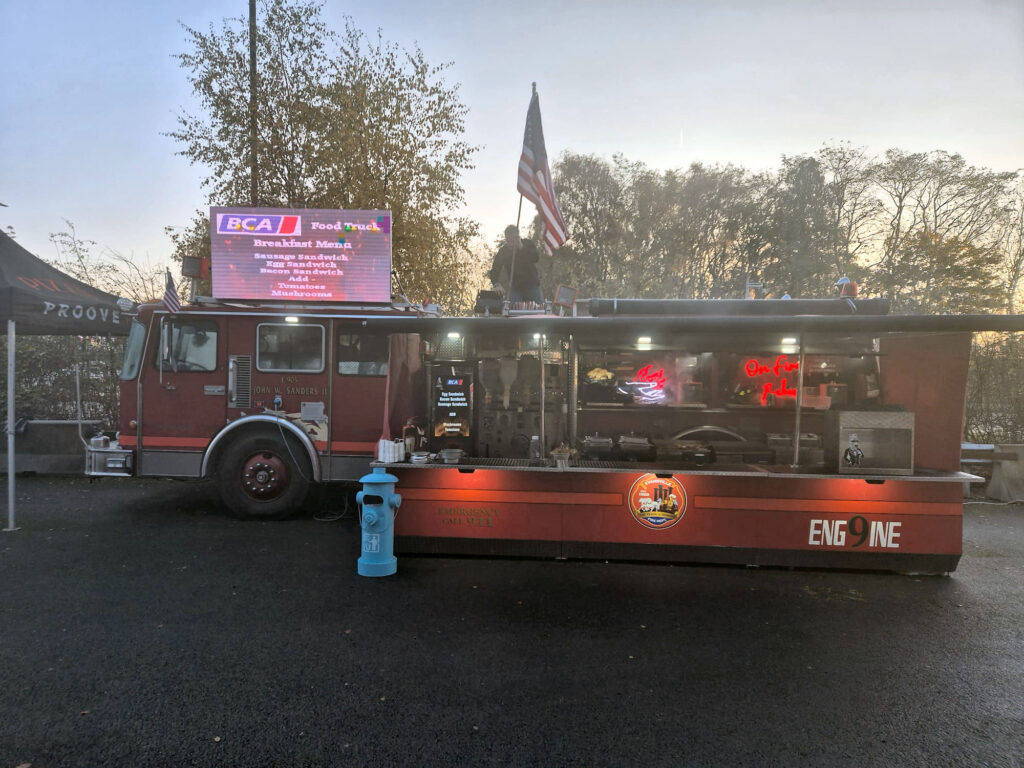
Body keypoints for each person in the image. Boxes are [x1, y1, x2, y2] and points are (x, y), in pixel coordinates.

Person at [489, 225, 542, 303]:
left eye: (512, 241)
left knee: (539, 312)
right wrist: (496, 284)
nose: (510, 244)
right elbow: (495, 269)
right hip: (515, 289)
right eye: (508, 240)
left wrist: (521, 247)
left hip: (533, 287)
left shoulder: (527, 243)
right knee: (512, 313)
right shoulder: (503, 251)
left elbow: (535, 258)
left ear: (517, 237)